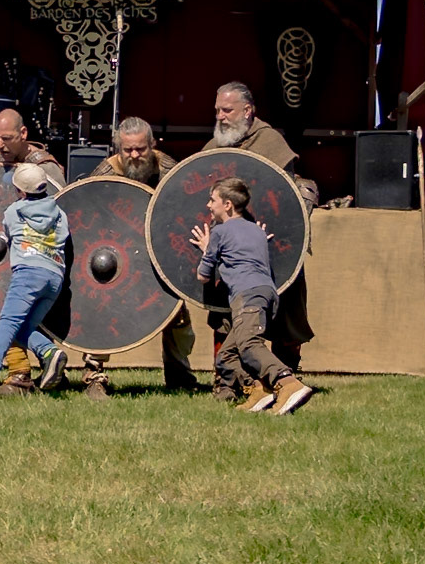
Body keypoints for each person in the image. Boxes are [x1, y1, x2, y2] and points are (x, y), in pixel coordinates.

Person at [79, 116, 198, 399]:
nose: (133, 155)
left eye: (140, 150)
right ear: (118, 147)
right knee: (102, 313)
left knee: (177, 316)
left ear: (152, 145)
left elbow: (182, 210)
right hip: (113, 254)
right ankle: (94, 375)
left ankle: (179, 372)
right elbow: (87, 211)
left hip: (155, 255)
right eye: (127, 150)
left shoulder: (168, 169)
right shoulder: (105, 172)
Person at [201, 81, 315, 374]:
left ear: (248, 111)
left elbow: (282, 196)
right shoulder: (215, 147)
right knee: (225, 315)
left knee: (284, 312)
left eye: (227, 110)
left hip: (268, 247)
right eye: (217, 110)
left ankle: (287, 373)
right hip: (230, 253)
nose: (220, 116)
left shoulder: (270, 143)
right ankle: (228, 377)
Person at [190, 178, 312, 414]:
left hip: (247, 296)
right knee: (226, 357)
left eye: (212, 200)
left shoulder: (219, 231)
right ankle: (258, 392)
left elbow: (203, 276)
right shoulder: (256, 230)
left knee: (249, 344)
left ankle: (287, 382)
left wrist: (207, 250)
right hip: (267, 294)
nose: (208, 205)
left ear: (227, 205)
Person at [0, 163, 70, 400]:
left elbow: (7, 235)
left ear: (22, 193)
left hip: (28, 272)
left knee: (6, 323)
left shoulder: (14, 211)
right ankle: (48, 352)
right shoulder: (60, 213)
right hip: (55, 276)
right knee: (23, 328)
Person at [0, 108, 66, 186]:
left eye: (6, 138)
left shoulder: (46, 167)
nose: (0, 145)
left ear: (23, 133)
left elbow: (59, 196)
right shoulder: (0, 158)